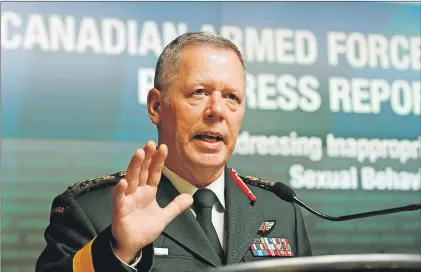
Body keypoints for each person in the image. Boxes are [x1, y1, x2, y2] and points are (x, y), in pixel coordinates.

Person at [35, 32, 312, 272]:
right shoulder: (92, 210)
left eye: (232, 97)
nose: (217, 110)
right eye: (199, 92)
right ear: (156, 107)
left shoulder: (280, 210)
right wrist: (119, 253)